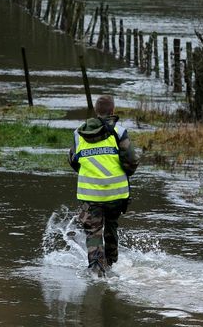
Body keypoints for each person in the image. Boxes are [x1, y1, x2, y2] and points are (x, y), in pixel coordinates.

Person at [69, 95, 139, 276]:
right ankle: (112, 266)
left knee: (93, 231)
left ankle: (96, 270)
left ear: (96, 111)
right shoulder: (119, 132)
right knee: (111, 226)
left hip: (90, 195)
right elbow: (132, 161)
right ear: (113, 111)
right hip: (116, 194)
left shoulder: (79, 134)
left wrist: (90, 172)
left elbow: (74, 161)